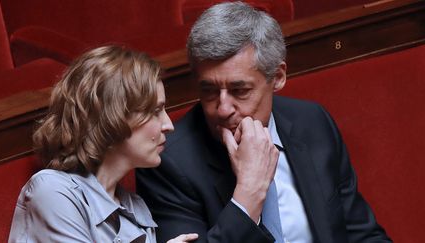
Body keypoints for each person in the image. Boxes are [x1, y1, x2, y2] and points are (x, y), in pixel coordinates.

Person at [135, 2, 392, 243]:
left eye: (240, 90)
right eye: (209, 91)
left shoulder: (312, 122)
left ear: (278, 77)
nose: (223, 109)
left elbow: (362, 234)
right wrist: (249, 193)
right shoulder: (168, 161)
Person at [8, 45, 198, 243]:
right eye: (155, 111)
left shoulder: (135, 208)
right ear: (112, 118)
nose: (168, 125)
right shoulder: (53, 192)